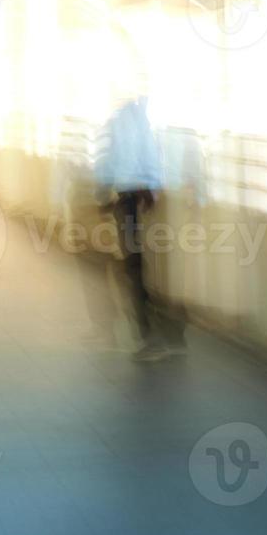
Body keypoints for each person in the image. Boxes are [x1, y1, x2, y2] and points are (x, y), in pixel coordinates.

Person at [93, 95, 179, 362]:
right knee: (136, 266)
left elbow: (117, 157)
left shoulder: (126, 119)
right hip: (135, 197)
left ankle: (153, 335)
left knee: (134, 266)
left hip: (131, 198)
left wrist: (104, 192)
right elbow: (143, 155)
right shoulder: (138, 117)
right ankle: (156, 333)